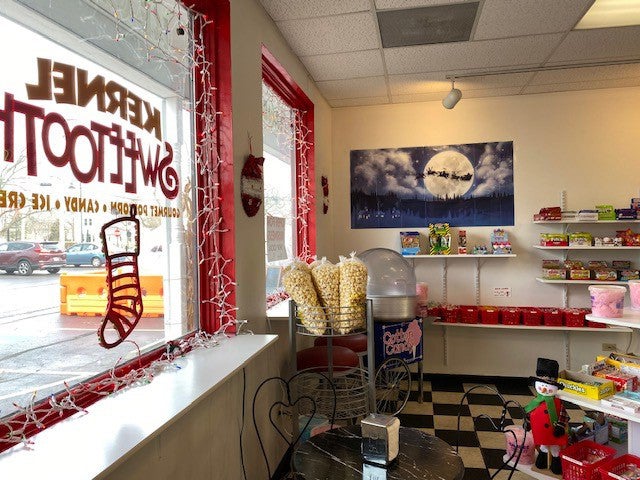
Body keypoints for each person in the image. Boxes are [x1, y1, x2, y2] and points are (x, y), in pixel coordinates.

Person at [524, 357, 569, 475]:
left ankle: (556, 465)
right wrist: (528, 423)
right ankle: (542, 462)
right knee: (543, 447)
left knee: (555, 449)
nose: (545, 388)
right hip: (542, 433)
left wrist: (560, 426)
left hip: (554, 432)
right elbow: (530, 412)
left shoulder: (557, 403)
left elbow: (564, 415)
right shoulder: (536, 402)